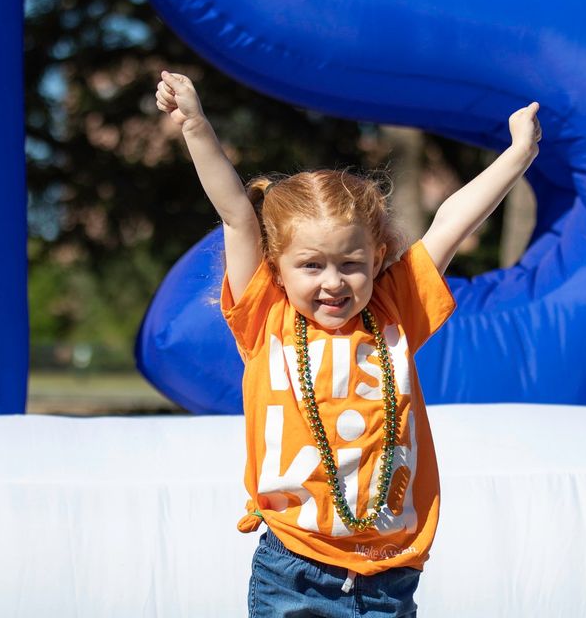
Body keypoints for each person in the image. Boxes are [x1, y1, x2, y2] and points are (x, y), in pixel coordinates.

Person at [156, 69, 541, 617]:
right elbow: (239, 218)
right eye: (311, 265)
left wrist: (517, 155)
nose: (333, 282)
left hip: (389, 575)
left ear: (379, 257)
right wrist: (194, 124)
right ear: (276, 268)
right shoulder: (266, 316)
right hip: (294, 569)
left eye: (351, 264)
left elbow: (452, 219)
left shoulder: (395, 310)